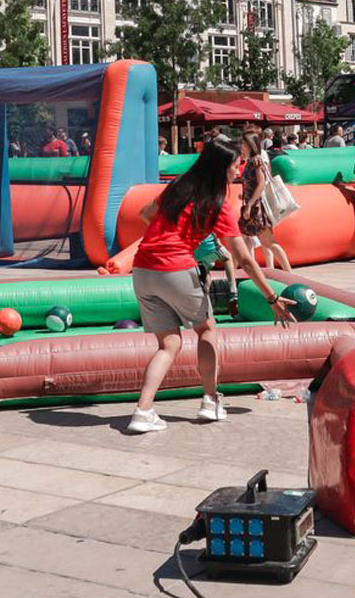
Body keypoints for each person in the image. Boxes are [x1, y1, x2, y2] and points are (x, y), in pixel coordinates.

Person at [127, 138, 297, 434]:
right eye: (235, 164)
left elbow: (145, 214)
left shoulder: (178, 186)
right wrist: (271, 297)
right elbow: (243, 258)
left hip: (143, 268)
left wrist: (169, 237)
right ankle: (209, 401)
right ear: (221, 167)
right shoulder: (218, 202)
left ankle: (143, 411)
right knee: (206, 330)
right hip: (175, 267)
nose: (238, 169)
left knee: (169, 344)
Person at [238, 133, 293, 275]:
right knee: (259, 241)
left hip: (256, 208)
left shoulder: (256, 160)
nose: (241, 147)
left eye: (243, 144)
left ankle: (289, 273)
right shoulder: (251, 160)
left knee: (270, 243)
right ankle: (250, 272)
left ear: (250, 145)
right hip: (253, 206)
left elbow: (261, 184)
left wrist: (249, 204)